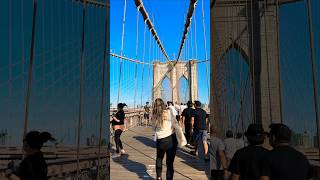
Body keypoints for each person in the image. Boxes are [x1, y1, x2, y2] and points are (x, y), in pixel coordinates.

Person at [152, 98, 178, 180]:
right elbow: (175, 124)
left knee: (159, 159)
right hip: (171, 139)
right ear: (163, 104)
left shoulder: (154, 116)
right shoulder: (169, 112)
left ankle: (159, 177)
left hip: (161, 141)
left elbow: (154, 129)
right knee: (170, 163)